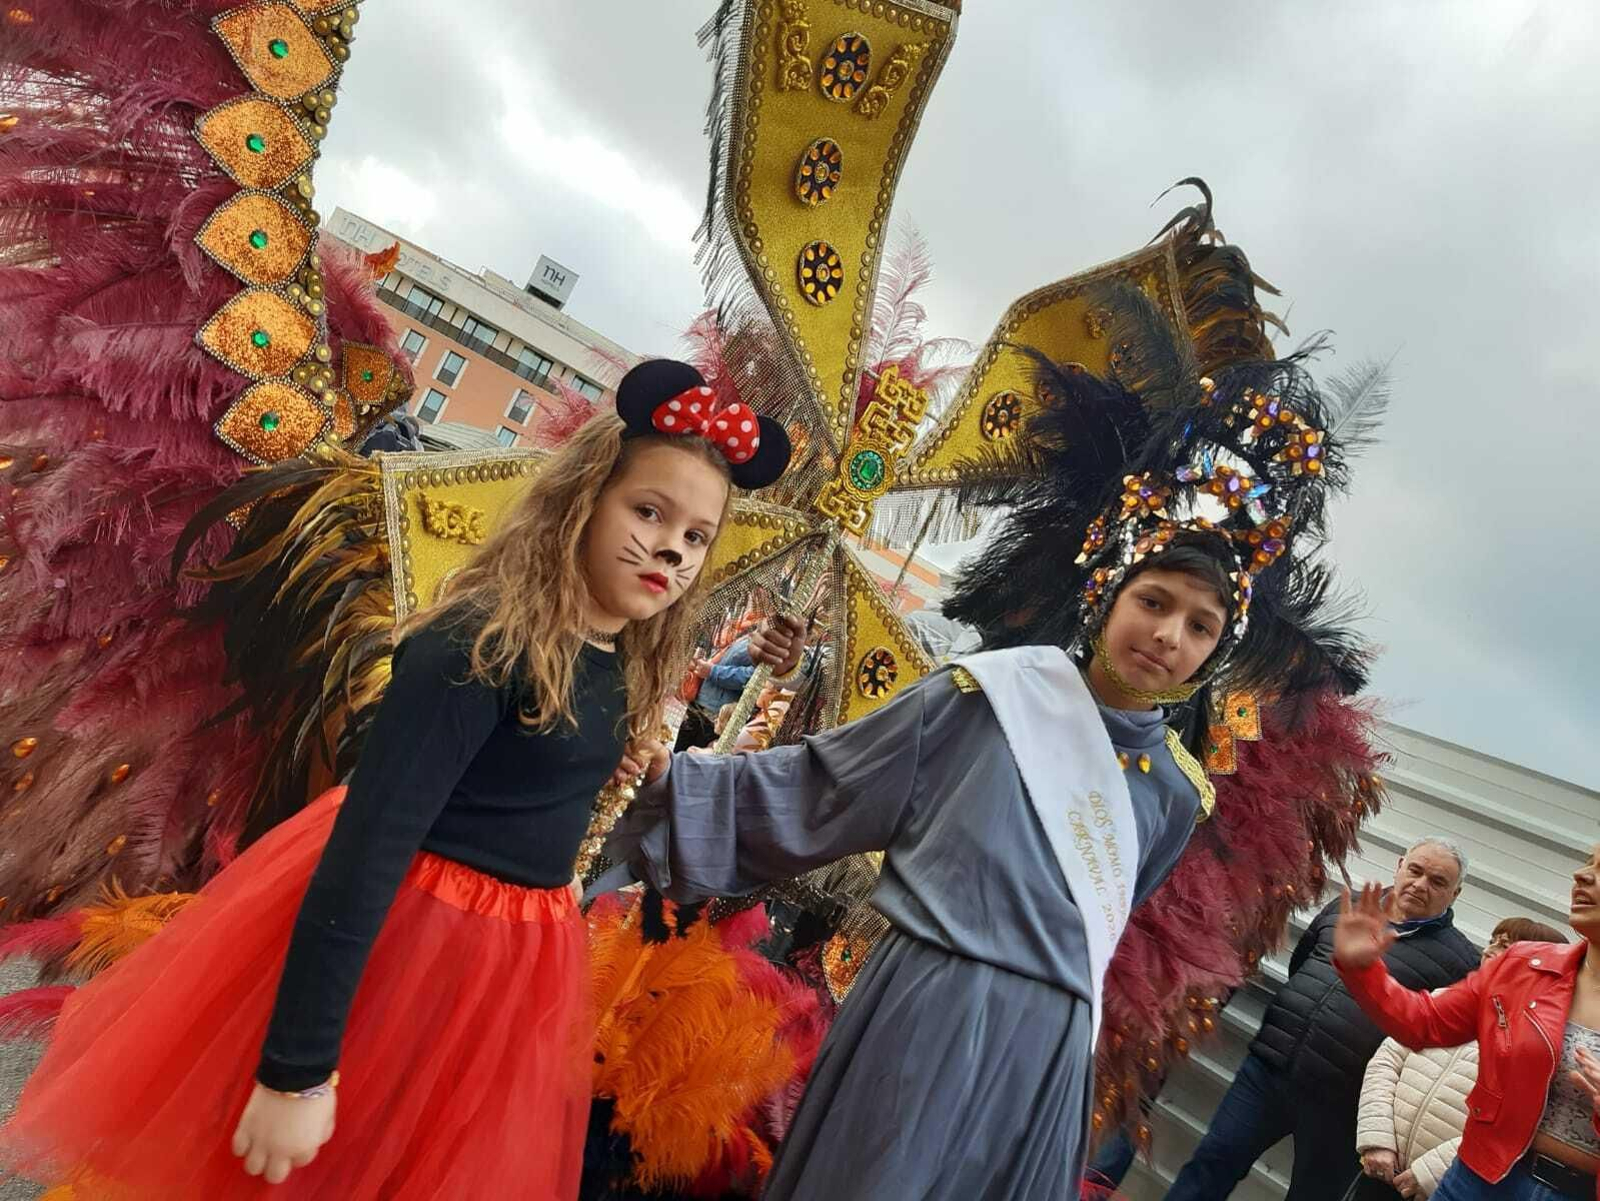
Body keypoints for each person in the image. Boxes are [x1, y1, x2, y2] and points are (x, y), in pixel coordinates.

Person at [602, 299, 1373, 1201]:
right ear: (1108, 594)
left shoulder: (1175, 793)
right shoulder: (988, 699)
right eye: (1155, 600)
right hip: (923, 1013)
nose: (1169, 634)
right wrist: (658, 782)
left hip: (1042, 1064)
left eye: (1202, 626)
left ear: (1216, 653)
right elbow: (819, 788)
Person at [0, 360, 796, 1198]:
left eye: (697, 535)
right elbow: (365, 850)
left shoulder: (616, 659)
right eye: (648, 510)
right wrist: (295, 1071)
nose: (671, 545)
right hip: (403, 943)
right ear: (585, 498)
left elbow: (545, 771)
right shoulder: (476, 643)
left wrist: (639, 754)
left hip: (501, 976)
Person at [1164, 838, 1480, 1201]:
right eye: (1416, 870)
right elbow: (1303, 962)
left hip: (1344, 1108)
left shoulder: (1458, 962)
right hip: (1270, 1071)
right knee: (1212, 1163)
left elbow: (1432, 1043)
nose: (1421, 885)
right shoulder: (1348, 909)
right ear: (1399, 865)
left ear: (1455, 894)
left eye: (1438, 882)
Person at [1335, 851, 1600, 1201]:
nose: (1581, 875)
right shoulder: (1525, 966)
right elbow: (1424, 1022)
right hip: (1477, 1178)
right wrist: (1363, 969)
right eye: (1588, 862)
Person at [1354, 918, 1571, 1200]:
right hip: (1379, 1164)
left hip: (1441, 1187)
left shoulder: (1538, 1043)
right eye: (1493, 940)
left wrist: (1430, 1172)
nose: (1491, 950)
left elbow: (1513, 1129)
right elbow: (1386, 1060)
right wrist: (1377, 1139)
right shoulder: (1444, 999)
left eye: (1506, 946)